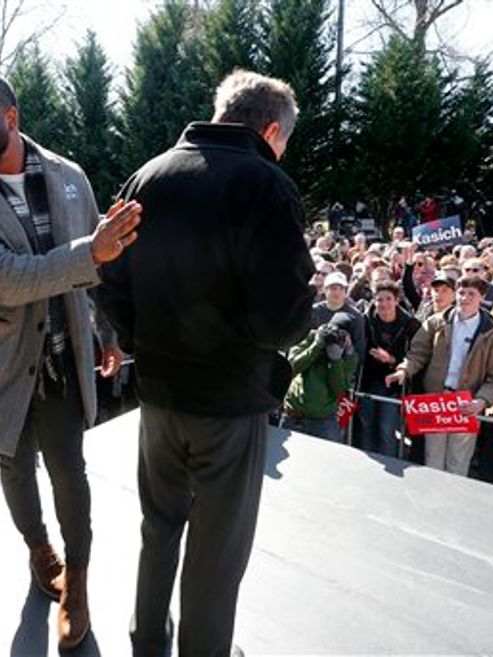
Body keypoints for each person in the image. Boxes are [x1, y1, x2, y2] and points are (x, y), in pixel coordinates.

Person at [98, 70, 315, 656]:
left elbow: (108, 277)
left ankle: (147, 643)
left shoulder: (147, 176)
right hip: (229, 403)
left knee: (158, 529)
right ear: (272, 131)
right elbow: (281, 322)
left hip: (159, 397)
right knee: (216, 552)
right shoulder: (266, 184)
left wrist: (143, 340)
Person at [0, 68, 135, 649]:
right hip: (3, 362)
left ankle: (78, 580)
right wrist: (91, 251)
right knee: (14, 467)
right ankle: (39, 550)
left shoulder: (69, 175)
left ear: (10, 117)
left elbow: (102, 268)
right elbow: (3, 280)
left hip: (64, 356)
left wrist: (108, 333)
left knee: (70, 472)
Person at [386, 276, 493, 476]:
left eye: (471, 294)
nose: (465, 298)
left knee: (458, 463)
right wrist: (404, 369)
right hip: (437, 401)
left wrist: (482, 401)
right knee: (432, 460)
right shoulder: (436, 322)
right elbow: (418, 352)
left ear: (482, 297)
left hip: (466, 404)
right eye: (461, 293)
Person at [355, 280, 420, 457]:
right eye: (379, 299)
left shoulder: (410, 324)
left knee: (386, 428)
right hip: (368, 381)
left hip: (393, 385)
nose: (384, 304)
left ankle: (389, 461)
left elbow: (416, 355)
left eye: (388, 299)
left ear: (397, 300)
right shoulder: (365, 320)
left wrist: (392, 360)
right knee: (366, 425)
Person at [283, 313, 358, 442]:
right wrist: (316, 346)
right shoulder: (310, 337)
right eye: (334, 330)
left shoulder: (349, 356)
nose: (334, 337)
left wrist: (335, 361)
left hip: (323, 421)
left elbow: (339, 390)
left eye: (341, 335)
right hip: (295, 415)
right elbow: (291, 368)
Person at [310, 272, 366, 365]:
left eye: (341, 289)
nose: (337, 292)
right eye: (333, 288)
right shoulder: (314, 311)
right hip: (316, 362)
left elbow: (359, 348)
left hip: (343, 366)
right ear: (325, 290)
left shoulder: (355, 316)